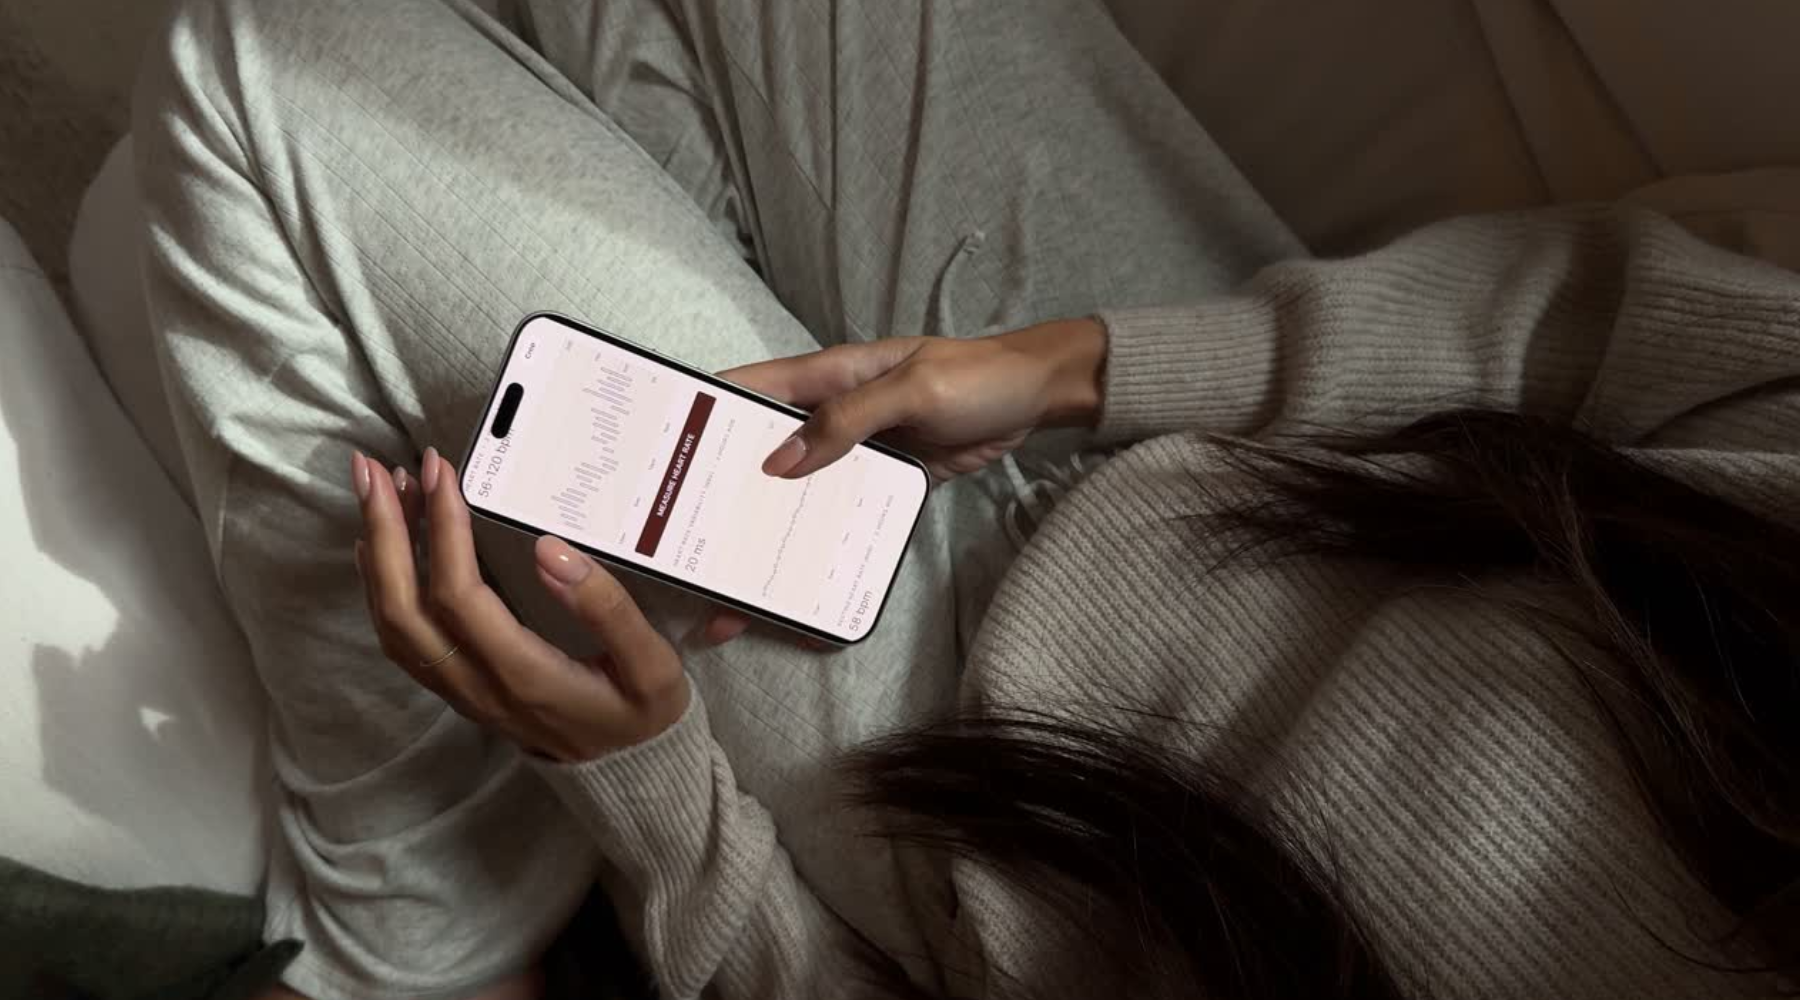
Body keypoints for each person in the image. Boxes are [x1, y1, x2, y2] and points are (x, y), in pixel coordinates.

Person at [127, 0, 1799, 996]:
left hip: (944, 770)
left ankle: (413, 939)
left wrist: (651, 795)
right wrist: (1077, 366)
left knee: (263, 58)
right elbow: (1601, 314)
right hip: (1266, 450)